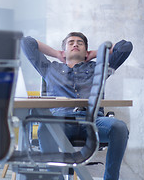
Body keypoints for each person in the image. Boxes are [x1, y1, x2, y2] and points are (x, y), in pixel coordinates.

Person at [21, 32, 133, 180]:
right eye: (71, 42)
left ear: (86, 51)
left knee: (119, 127)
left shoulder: (98, 68)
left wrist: (95, 54)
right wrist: (56, 53)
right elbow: (25, 42)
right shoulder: (49, 69)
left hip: (93, 121)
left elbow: (125, 47)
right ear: (64, 50)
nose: (75, 44)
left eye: (80, 43)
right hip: (62, 121)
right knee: (44, 129)